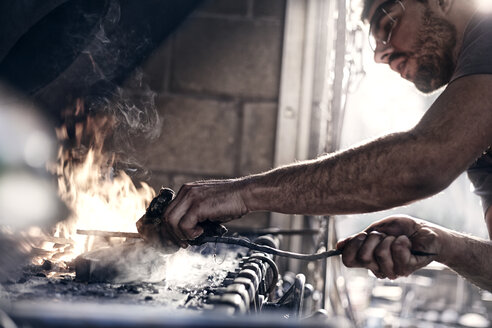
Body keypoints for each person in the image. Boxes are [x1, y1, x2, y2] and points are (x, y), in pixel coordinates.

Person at [150, 0, 492, 291]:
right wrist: (442, 244)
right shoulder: (479, 135)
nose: (381, 56)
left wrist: (242, 193)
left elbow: (423, 162)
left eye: (387, 24)